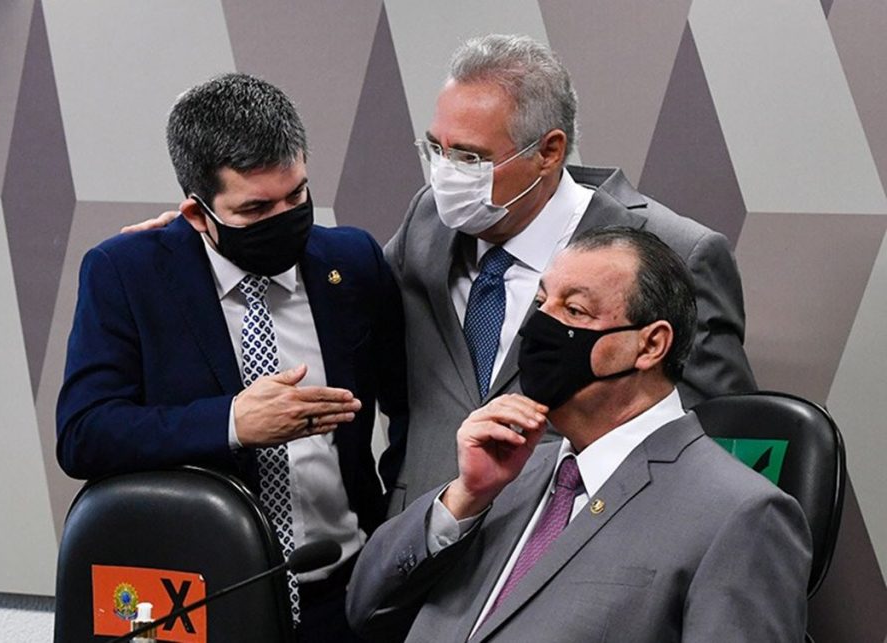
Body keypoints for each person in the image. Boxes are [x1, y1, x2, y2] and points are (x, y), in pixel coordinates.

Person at [121, 34, 757, 514]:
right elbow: (335, 286)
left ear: (549, 152)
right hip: (421, 556)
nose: (445, 174)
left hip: (569, 562)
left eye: (471, 157)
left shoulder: (676, 252)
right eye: (436, 148)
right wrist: (199, 241)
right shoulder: (429, 219)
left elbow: (725, 442)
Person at [56, 73, 408, 642]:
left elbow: (411, 405)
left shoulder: (353, 262)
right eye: (255, 208)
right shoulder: (127, 274)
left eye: (296, 196)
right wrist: (232, 423)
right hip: (202, 603)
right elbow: (84, 433)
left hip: (346, 595)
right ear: (198, 214)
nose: (284, 218)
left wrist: (398, 526)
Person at [346, 227, 810, 643]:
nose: (537, 327)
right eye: (541, 303)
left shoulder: (742, 515)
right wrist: (465, 498)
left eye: (574, 310)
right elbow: (365, 610)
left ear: (650, 344)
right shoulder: (506, 474)